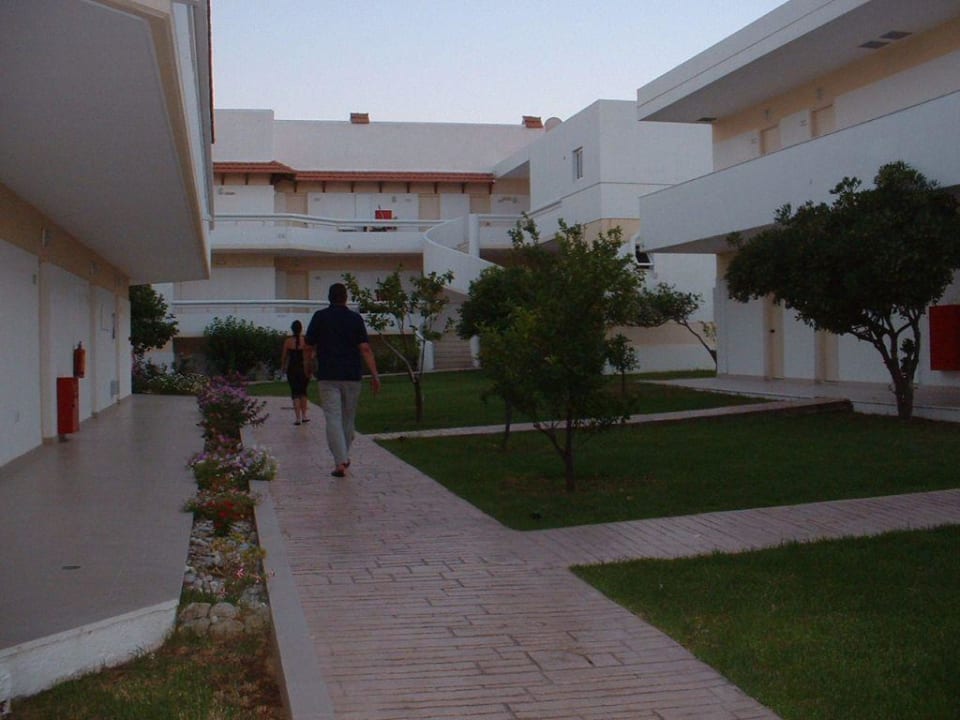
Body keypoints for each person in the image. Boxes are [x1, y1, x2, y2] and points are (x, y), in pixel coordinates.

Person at [305, 283, 381, 477]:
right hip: (352, 376)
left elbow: (308, 345)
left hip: (328, 375)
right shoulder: (355, 319)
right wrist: (375, 375)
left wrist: (308, 365)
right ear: (345, 298)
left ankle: (340, 460)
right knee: (348, 419)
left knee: (333, 418)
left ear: (329, 297)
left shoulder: (320, 317)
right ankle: (343, 458)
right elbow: (365, 348)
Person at [280, 320, 312, 425]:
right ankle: (304, 416)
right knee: (303, 392)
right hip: (303, 369)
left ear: (292, 329)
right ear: (301, 329)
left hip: (292, 369)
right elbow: (309, 356)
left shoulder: (288, 341)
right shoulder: (305, 341)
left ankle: (297, 418)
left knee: (295, 393)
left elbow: (284, 357)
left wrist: (283, 367)